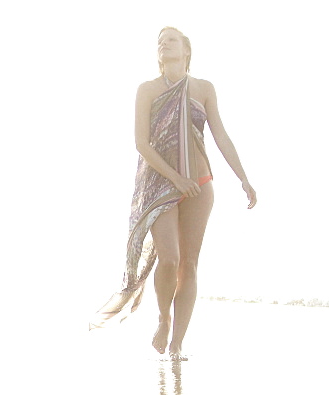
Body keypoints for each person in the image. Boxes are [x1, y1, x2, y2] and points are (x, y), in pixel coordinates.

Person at [90, 26, 257, 360]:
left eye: (172, 39)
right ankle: (164, 317)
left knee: (190, 265)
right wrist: (175, 179)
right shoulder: (147, 90)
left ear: (186, 50)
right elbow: (141, 143)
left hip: (201, 185)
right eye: (160, 41)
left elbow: (221, 136)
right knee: (170, 258)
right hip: (158, 186)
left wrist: (243, 178)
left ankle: (178, 342)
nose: (164, 43)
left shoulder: (204, 89)